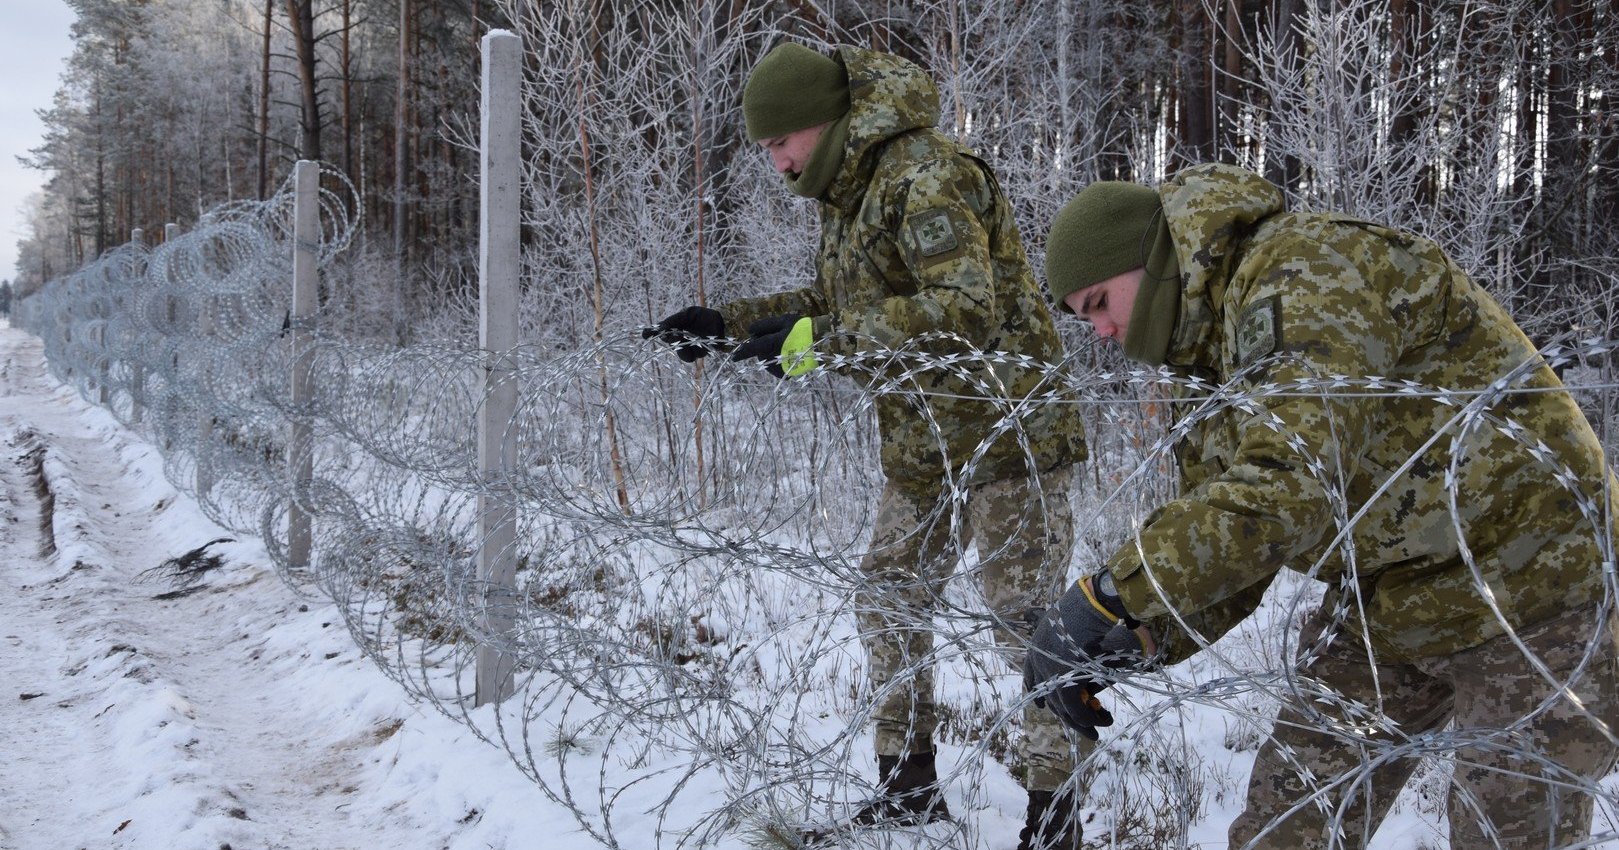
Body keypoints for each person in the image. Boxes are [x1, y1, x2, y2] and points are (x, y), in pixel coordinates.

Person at [1021, 162, 1619, 849]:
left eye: (1098, 302)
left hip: (1534, 582)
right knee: (1287, 831)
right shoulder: (1208, 354)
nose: (1099, 332)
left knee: (1504, 837)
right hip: (1388, 601)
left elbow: (1284, 488)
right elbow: (1236, 535)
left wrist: (1108, 593)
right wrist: (1144, 635)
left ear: (1147, 257)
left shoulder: (1304, 272)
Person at [646, 42, 1089, 847]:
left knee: (1024, 624)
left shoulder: (927, 173)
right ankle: (906, 788)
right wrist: (733, 322)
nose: (774, 159)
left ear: (826, 122)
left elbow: (964, 310)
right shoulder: (848, 191)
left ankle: (1053, 819)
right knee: (887, 597)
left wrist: (822, 341)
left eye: (780, 140)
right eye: (763, 147)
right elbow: (838, 301)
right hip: (922, 439)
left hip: (1008, 433)